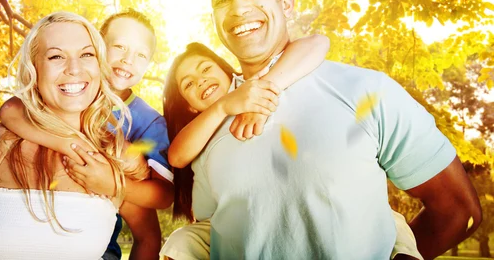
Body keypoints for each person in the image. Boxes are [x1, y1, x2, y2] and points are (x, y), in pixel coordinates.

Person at [185, 0, 481, 259]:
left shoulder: (366, 90)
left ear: (286, 4)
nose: (238, 9)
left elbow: (457, 210)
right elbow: (208, 229)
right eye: (223, 0)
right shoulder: (209, 126)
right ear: (214, 21)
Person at [160, 42, 425, 260]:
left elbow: (316, 44)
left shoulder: (257, 82)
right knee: (182, 241)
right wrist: (223, 107)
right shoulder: (201, 133)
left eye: (205, 68)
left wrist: (267, 85)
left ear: (227, 72)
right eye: (188, 84)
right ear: (191, 107)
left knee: (380, 217)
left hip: (318, 191)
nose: (201, 80)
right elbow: (177, 155)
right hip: (237, 217)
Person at [0, 11, 148, 259]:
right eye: (56, 56)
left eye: (86, 54)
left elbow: (147, 238)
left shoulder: (119, 157)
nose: (74, 68)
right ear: (34, 69)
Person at [0, 8, 173, 260]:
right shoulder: (65, 91)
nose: (127, 60)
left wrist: (111, 184)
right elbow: (10, 109)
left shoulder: (148, 123)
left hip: (99, 243)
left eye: (141, 55)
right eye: (120, 47)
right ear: (96, 45)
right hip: (31, 226)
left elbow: (163, 195)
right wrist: (69, 144)